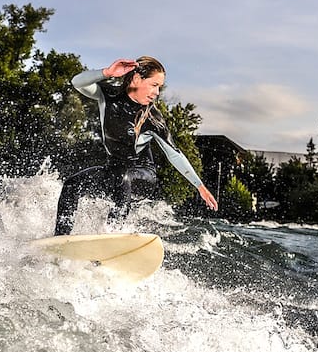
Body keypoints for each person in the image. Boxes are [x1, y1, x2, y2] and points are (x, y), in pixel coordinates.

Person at [54, 57, 218, 235]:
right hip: (114, 171)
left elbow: (174, 154)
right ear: (137, 78)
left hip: (142, 176)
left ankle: (111, 236)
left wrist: (200, 186)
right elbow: (77, 82)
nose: (157, 92)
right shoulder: (108, 96)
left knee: (123, 176)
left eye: (159, 87)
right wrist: (107, 73)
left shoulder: (152, 118)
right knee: (72, 184)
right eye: (154, 85)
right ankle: (61, 239)